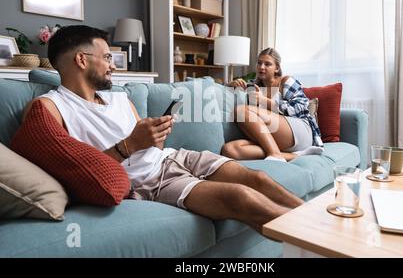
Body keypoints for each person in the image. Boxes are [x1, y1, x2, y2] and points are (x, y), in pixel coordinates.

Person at [21, 25, 303, 235]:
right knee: (238, 197)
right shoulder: (50, 108)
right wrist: (131, 144)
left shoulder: (119, 97)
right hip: (149, 182)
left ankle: (322, 221)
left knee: (259, 178)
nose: (113, 65)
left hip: (173, 156)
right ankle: (320, 240)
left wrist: (154, 136)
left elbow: (144, 145)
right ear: (82, 60)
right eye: (107, 57)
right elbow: (84, 172)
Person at [222, 48, 324, 162]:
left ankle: (275, 154)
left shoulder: (286, 81)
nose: (262, 67)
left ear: (277, 68)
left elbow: (299, 107)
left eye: (267, 64)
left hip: (300, 132)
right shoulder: (253, 86)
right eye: (259, 63)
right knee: (229, 150)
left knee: (241, 111)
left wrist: (264, 100)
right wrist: (230, 85)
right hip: (275, 136)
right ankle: (291, 155)